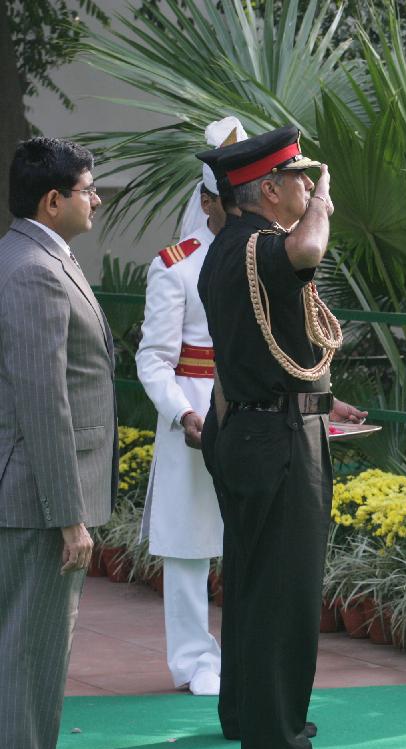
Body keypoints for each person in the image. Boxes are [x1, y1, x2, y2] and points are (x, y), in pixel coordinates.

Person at [196, 125, 363, 749]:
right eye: (299, 177)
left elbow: (263, 351)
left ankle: (251, 714)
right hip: (278, 439)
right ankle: (276, 746)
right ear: (269, 189)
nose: (308, 186)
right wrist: (321, 202)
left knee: (253, 583)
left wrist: (322, 399)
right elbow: (308, 247)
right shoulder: (261, 245)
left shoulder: (227, 247)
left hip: (254, 428)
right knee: (283, 593)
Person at [0, 137, 116, 749]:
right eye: (88, 189)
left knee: (37, 647)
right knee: (26, 648)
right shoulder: (32, 270)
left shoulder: (36, 257)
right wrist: (68, 516)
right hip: (36, 495)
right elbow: (45, 400)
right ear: (53, 200)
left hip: (35, 488)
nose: (96, 199)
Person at [135, 117, 247, 697]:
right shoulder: (175, 264)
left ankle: (246, 655)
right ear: (207, 202)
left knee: (249, 536)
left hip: (251, 404)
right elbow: (154, 357)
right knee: (187, 544)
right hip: (194, 405)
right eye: (229, 199)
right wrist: (181, 412)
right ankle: (193, 660)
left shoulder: (261, 253)